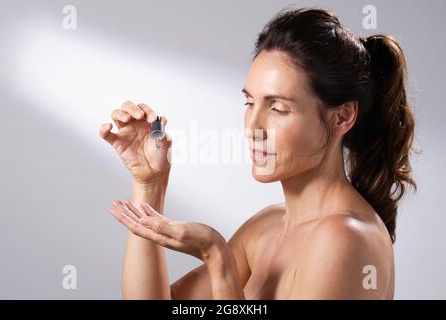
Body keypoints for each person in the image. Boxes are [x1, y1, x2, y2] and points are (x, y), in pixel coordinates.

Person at [99, 7, 416, 299]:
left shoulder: (345, 239)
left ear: (342, 117)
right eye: (250, 102)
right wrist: (150, 184)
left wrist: (217, 258)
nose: (253, 127)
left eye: (278, 108)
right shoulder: (269, 225)